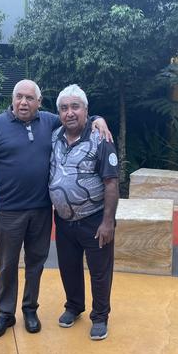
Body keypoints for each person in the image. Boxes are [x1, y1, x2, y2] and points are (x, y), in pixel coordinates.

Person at [0, 79, 112, 339]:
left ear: (39, 102)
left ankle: (29, 309)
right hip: (9, 210)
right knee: (8, 264)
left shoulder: (49, 121)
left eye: (29, 98)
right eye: (19, 97)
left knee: (36, 263)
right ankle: (5, 314)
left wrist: (98, 119)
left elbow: (76, 115)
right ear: (12, 100)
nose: (23, 102)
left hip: (41, 210)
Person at [48, 84, 119, 341]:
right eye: (64, 108)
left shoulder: (102, 139)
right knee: (68, 267)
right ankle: (74, 306)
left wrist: (108, 222)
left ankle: (100, 317)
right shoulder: (54, 135)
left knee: (99, 272)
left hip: (94, 220)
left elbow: (111, 182)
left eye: (75, 107)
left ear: (86, 110)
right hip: (64, 221)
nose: (69, 113)